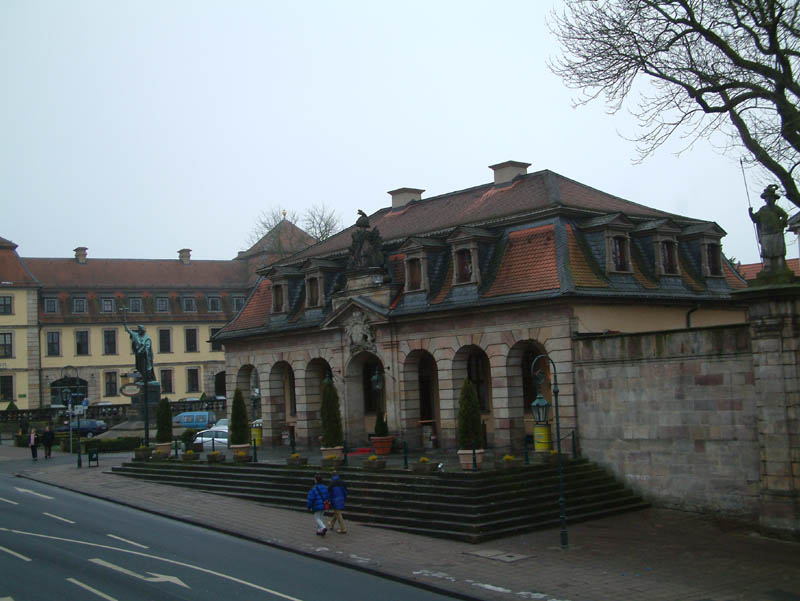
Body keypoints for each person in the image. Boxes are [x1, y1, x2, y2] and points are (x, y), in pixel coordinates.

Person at [749, 184, 789, 273]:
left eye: (771, 198)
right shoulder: (763, 210)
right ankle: (768, 265)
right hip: (766, 234)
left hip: (776, 232)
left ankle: (780, 264)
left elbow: (785, 215)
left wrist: (782, 223)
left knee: (778, 249)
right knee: (766, 251)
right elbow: (756, 219)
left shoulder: (776, 209)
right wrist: (750, 213)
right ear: (765, 199)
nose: (769, 200)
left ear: (774, 199)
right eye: (767, 198)